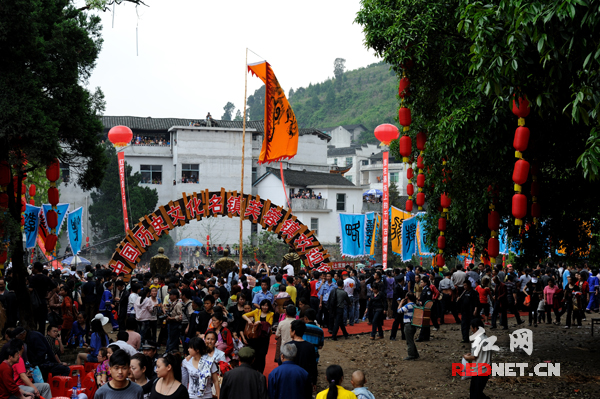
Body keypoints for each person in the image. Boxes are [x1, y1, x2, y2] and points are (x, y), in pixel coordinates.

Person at [462, 319, 492, 399]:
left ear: (475, 328)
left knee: (474, 394)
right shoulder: (486, 338)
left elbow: (474, 357)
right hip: (486, 369)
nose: (471, 330)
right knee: (477, 392)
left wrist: (465, 357)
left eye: (471, 328)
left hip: (480, 371)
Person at [242, 299, 274, 373]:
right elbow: (244, 315)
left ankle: (260, 372)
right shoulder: (256, 311)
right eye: (263, 305)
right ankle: (253, 371)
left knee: (262, 356)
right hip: (255, 337)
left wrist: (260, 322)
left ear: (269, 306)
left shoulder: (271, 314)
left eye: (266, 305)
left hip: (264, 338)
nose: (264, 307)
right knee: (254, 354)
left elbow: (269, 324)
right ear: (261, 306)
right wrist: (249, 320)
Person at [285, 320, 317, 391]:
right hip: (305, 378)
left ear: (294, 331)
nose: (289, 331)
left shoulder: (287, 346)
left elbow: (281, 363)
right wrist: (314, 381)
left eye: (290, 329)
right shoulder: (310, 346)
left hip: (290, 378)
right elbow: (313, 366)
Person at [29, 262, 56, 335]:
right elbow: (55, 287)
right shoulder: (46, 278)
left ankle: (34, 335)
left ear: (36, 269)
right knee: (42, 321)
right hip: (43, 302)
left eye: (33, 267)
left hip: (34, 303)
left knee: (34, 321)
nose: (32, 269)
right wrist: (49, 297)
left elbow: (30, 289)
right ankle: (41, 336)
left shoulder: (33, 278)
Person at [398, 293, 418, 360]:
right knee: (411, 340)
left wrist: (400, 303)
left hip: (408, 324)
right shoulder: (414, 305)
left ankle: (411, 355)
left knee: (409, 341)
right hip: (413, 324)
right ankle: (415, 353)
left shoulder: (408, 306)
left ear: (407, 298)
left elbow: (399, 311)